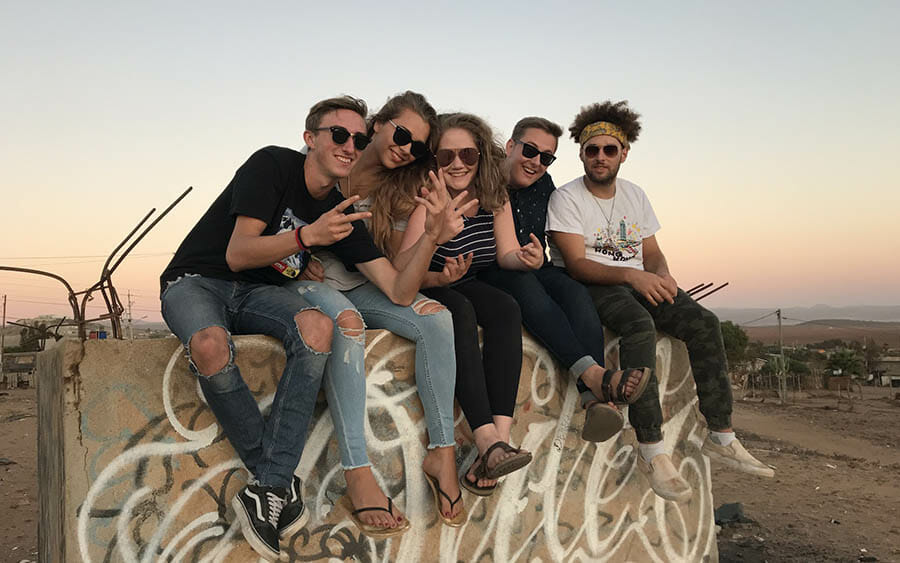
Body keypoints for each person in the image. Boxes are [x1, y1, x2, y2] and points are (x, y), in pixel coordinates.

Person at [160, 95, 452, 559]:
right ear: (310, 138)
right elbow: (237, 253)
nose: (349, 145)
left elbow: (398, 289)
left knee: (319, 330)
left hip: (258, 294)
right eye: (339, 134)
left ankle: (268, 488)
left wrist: (434, 235)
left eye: (356, 139)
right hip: (199, 280)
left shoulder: (342, 209)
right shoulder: (273, 165)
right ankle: (276, 483)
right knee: (210, 346)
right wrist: (306, 237)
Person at [546, 100, 775, 503]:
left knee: (704, 323)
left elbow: (651, 252)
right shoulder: (566, 198)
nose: (600, 157)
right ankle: (652, 449)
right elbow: (578, 265)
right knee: (638, 326)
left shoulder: (635, 195)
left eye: (608, 150)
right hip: (595, 286)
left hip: (638, 279)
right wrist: (633, 274)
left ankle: (720, 435)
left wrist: (663, 274)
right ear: (580, 153)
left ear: (624, 153)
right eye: (591, 150)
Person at [305, 92, 474, 527]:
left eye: (418, 146)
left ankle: (443, 454)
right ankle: (357, 471)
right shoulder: (329, 155)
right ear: (378, 124)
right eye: (402, 135)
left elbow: (401, 278)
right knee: (348, 326)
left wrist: (432, 236)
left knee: (438, 317)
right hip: (309, 283)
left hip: (364, 282)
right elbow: (280, 218)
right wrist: (295, 253)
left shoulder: (403, 189)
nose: (407, 149)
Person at [478, 116, 652, 444]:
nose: (536, 162)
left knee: (574, 293)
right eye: (530, 151)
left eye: (546, 157)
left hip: (533, 262)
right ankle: (595, 380)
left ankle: (595, 401)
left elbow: (561, 234)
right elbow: (504, 254)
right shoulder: (487, 179)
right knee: (528, 290)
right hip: (493, 267)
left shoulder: (544, 185)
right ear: (511, 147)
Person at [397, 113, 536, 498]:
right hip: (432, 283)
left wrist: (526, 258)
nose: (457, 164)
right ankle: (486, 438)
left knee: (507, 308)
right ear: (435, 163)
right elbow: (400, 273)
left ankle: (497, 445)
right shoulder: (429, 202)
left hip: (468, 279)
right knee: (459, 311)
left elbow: (505, 254)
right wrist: (439, 274)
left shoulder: (494, 197)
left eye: (467, 155)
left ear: (480, 158)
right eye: (446, 157)